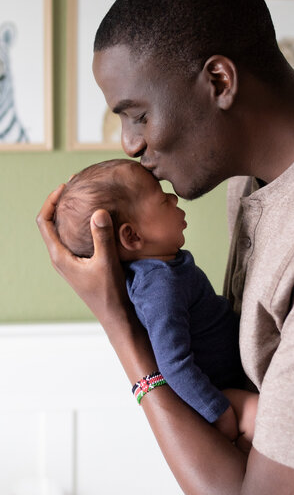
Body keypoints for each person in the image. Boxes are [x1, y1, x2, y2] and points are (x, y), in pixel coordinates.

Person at [37, 0, 294, 495]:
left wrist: (119, 326)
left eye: (137, 114)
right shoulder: (256, 175)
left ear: (219, 81)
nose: (129, 144)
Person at [54, 157, 256, 446]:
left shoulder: (165, 270)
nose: (174, 198)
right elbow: (174, 364)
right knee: (264, 418)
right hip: (219, 390)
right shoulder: (159, 288)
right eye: (163, 200)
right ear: (132, 236)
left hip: (232, 376)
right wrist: (218, 411)